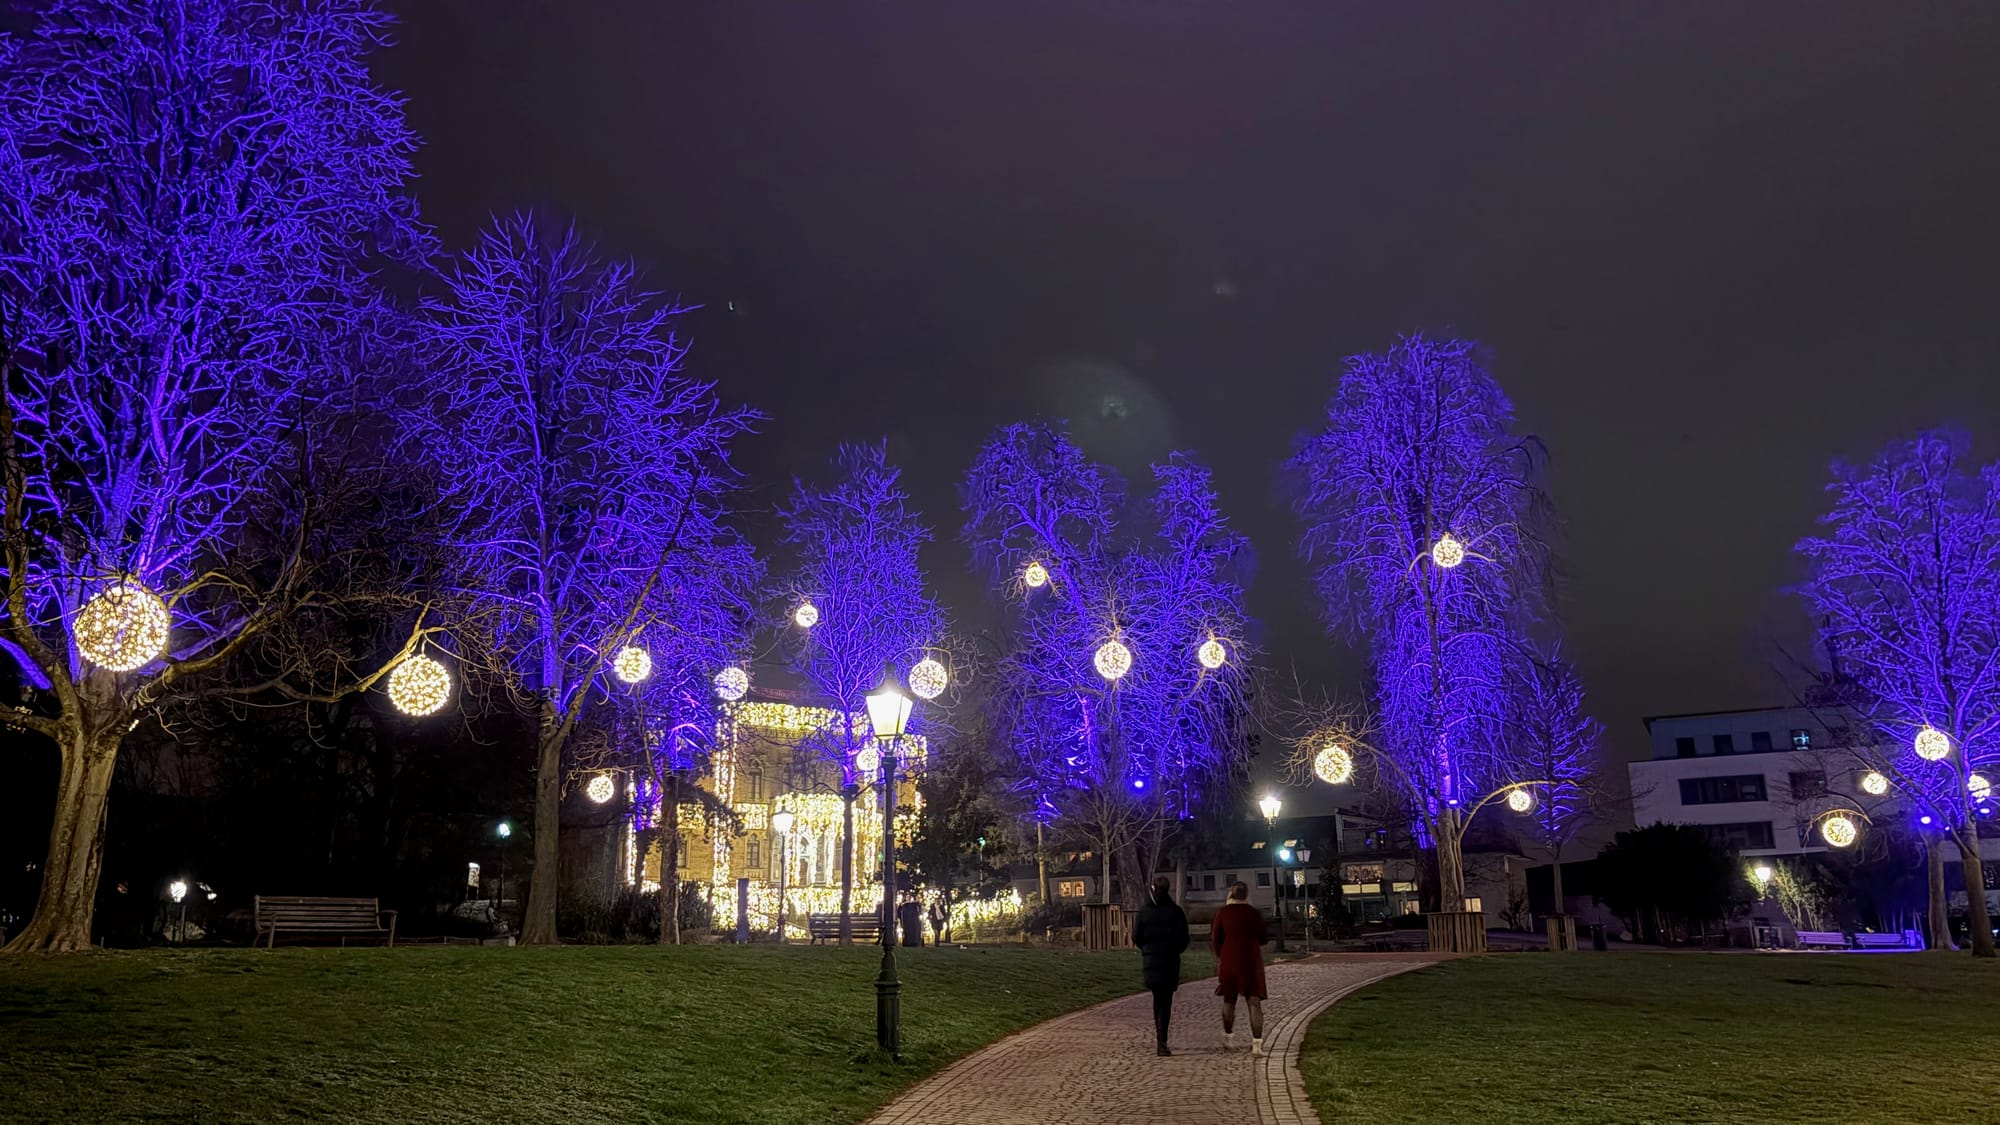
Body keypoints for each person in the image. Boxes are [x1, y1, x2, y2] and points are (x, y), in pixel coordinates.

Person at [1130, 874, 1190, 1057]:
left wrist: (1147, 949)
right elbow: (1184, 938)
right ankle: (1162, 1040)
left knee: (1158, 1000)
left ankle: (1160, 1038)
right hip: (1170, 959)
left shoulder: (1144, 912)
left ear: (1154, 889)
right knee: (1167, 1001)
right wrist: (1174, 950)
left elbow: (1136, 936)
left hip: (1151, 960)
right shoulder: (1176, 912)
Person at [1211, 880, 1271, 1056]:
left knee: (1229, 1000)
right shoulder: (1253, 913)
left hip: (1230, 959)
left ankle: (1228, 1038)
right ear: (1246, 895)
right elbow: (1264, 937)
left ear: (1231, 894)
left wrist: (1221, 954)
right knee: (1254, 1002)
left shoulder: (1223, 913)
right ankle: (1257, 1044)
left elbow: (1216, 938)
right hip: (1251, 960)